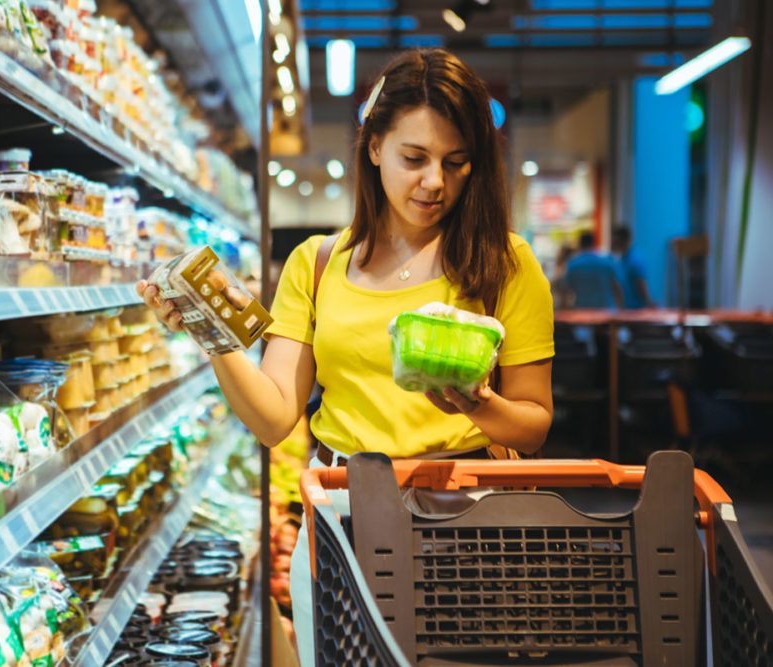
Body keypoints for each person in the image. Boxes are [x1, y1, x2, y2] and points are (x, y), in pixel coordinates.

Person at [138, 48, 554, 666]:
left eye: (456, 163)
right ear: (374, 146)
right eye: (415, 158)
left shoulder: (505, 263)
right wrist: (213, 334)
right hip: (343, 519)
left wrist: (481, 402)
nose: (434, 181)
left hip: (468, 522)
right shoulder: (317, 264)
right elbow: (275, 417)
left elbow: (535, 423)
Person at [563, 231, 624, 309]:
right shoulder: (606, 262)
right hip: (606, 311)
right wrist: (621, 308)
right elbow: (617, 287)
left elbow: (565, 290)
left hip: (582, 312)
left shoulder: (573, 264)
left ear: (580, 244)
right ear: (593, 244)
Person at [612, 225, 655, 309]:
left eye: (616, 240)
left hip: (636, 310)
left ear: (623, 240)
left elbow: (641, 285)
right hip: (626, 309)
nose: (614, 242)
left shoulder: (635, 260)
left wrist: (649, 303)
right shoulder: (622, 260)